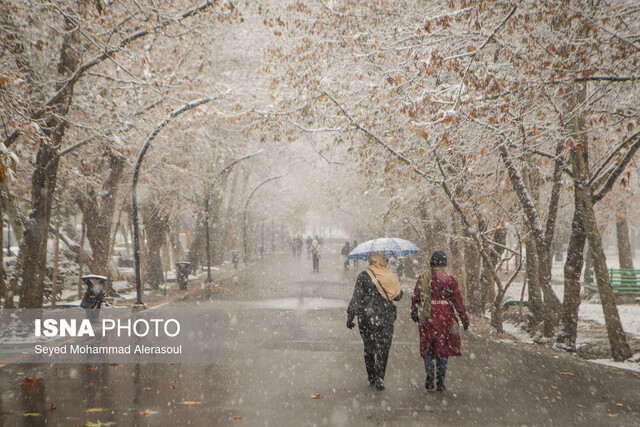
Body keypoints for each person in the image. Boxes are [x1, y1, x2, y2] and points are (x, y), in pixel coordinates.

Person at [411, 250, 469, 392]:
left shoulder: (424, 278)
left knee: (428, 347)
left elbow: (416, 296)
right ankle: (440, 381)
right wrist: (463, 318)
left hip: (427, 316)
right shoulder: (450, 279)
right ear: (444, 263)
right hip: (446, 317)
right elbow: (457, 300)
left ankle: (429, 375)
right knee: (443, 349)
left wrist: (414, 311)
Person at [347, 252, 403, 390]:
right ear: (383, 260)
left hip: (366, 317)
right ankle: (380, 378)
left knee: (369, 347)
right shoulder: (389, 276)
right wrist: (392, 284)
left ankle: (371, 376)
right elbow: (398, 296)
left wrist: (350, 316)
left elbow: (356, 297)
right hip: (385, 316)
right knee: (384, 347)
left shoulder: (363, 276)